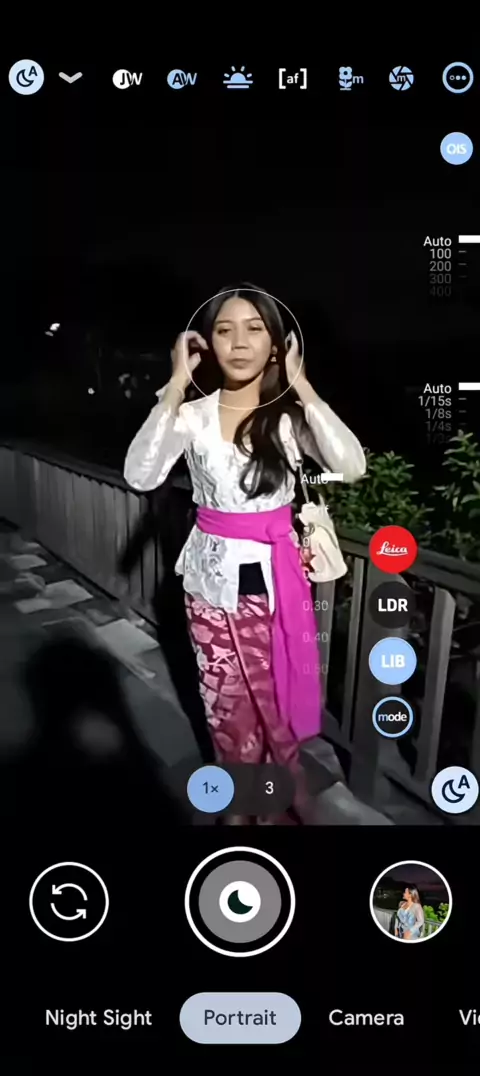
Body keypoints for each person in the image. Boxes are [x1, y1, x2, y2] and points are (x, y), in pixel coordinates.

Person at [124, 285, 366, 823]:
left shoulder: (286, 418)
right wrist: (174, 385)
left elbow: (351, 466)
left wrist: (303, 386)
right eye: (224, 330)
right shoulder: (192, 416)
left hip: (278, 584)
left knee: (276, 702)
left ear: (277, 345)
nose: (239, 342)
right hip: (211, 583)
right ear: (206, 344)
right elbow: (140, 474)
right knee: (224, 703)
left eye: (254, 329)